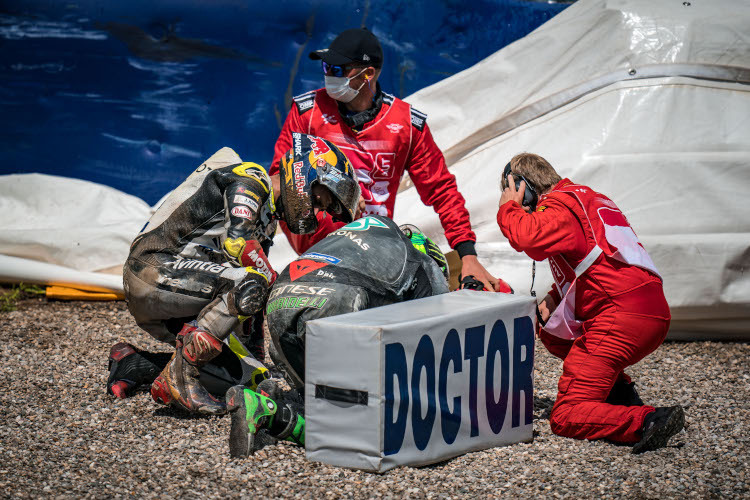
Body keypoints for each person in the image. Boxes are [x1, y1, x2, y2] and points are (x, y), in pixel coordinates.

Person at [110, 134, 361, 416]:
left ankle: (136, 363)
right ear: (306, 172)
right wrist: (282, 290)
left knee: (250, 379)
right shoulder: (252, 177)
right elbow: (237, 244)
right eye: (317, 199)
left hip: (182, 293)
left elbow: (252, 306)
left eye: (321, 209)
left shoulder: (266, 221)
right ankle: (181, 377)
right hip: (153, 269)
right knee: (255, 281)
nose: (314, 212)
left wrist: (258, 362)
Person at [270, 27, 509, 293]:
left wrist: (468, 255)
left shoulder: (406, 124)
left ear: (367, 74)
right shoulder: (308, 112)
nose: (328, 75)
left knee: (428, 263)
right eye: (326, 67)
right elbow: (279, 180)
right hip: (318, 250)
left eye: (337, 70)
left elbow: (442, 190)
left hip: (375, 250)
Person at [496, 152, 684, 454]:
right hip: (650, 311)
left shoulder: (559, 206)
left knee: (566, 415)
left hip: (621, 317)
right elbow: (597, 258)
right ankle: (619, 395)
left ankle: (647, 420)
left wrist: (508, 207)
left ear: (523, 187)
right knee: (552, 332)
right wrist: (556, 296)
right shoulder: (588, 199)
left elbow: (527, 239)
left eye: (511, 189)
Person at [225, 215, 451, 457]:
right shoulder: (421, 261)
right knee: (368, 427)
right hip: (337, 300)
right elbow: (438, 332)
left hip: (281, 300)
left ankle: (280, 403)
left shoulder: (365, 240)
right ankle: (273, 413)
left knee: (328, 402)